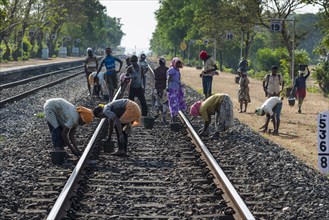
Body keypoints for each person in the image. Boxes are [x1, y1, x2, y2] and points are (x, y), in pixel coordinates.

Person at [167, 57, 187, 123]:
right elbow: (169, 79)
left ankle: (174, 116)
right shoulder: (171, 70)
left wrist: (180, 85)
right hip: (172, 89)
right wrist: (167, 86)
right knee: (173, 102)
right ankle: (173, 117)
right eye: (177, 63)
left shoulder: (177, 70)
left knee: (176, 103)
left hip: (177, 89)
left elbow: (177, 79)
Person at [153, 57, 169, 124]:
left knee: (157, 101)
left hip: (157, 88)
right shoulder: (167, 69)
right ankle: (164, 118)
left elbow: (155, 78)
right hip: (164, 88)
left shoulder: (156, 69)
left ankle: (156, 114)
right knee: (165, 102)